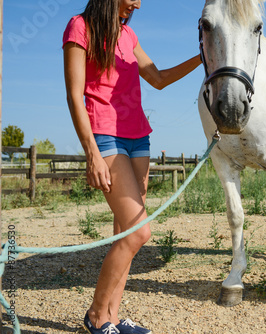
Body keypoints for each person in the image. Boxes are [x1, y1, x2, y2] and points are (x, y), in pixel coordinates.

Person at [63, 1, 201, 333]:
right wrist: (91, 152)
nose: (138, 3)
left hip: (139, 138)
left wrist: (204, 57)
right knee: (140, 231)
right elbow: (74, 95)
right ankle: (96, 316)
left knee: (124, 234)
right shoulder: (79, 27)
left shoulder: (129, 34)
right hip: (105, 135)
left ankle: (111, 316)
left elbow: (158, 78)